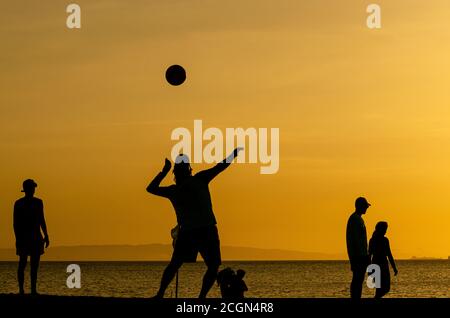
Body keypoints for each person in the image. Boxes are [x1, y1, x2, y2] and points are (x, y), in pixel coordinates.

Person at [147, 147, 243, 298]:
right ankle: (162, 294)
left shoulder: (198, 179)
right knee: (179, 264)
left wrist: (233, 155)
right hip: (193, 231)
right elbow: (150, 189)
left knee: (209, 266)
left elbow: (220, 167)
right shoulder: (179, 187)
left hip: (203, 230)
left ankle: (197, 297)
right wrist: (164, 171)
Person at [13, 179, 50, 295]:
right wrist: (18, 238)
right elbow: (16, 223)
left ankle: (32, 289)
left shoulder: (38, 202)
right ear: (27, 189)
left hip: (35, 237)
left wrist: (46, 235)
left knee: (34, 265)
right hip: (25, 238)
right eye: (32, 188)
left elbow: (41, 220)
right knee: (23, 263)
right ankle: (22, 290)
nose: (33, 190)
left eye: (33, 188)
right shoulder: (19, 203)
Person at [346, 197, 371, 299]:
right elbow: (356, 240)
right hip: (358, 256)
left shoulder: (357, 219)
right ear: (360, 206)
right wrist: (362, 256)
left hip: (360, 255)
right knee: (357, 279)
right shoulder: (355, 219)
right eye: (365, 206)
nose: (366, 208)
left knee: (358, 279)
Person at [369, 221, 398, 298]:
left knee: (382, 288)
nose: (385, 231)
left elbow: (370, 255)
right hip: (380, 264)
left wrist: (394, 267)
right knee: (382, 288)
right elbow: (389, 255)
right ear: (380, 229)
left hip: (379, 264)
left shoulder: (373, 240)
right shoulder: (382, 240)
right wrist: (394, 268)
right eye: (385, 229)